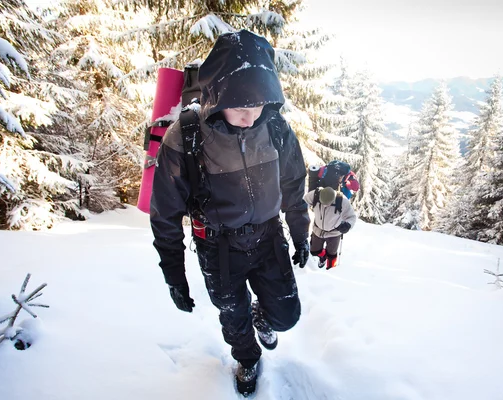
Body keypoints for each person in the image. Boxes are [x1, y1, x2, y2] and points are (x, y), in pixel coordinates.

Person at [149, 30, 310, 397]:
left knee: (287, 316)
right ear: (217, 94)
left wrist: (300, 234)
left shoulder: (276, 128)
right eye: (239, 105)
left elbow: (293, 186)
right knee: (233, 317)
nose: (249, 115)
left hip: (268, 238)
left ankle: (264, 317)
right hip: (218, 247)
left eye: (256, 104)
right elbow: (165, 214)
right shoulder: (186, 137)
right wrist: (174, 274)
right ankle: (248, 359)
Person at [304, 186, 357, 269]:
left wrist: (348, 225)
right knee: (314, 251)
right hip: (318, 230)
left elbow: (352, 217)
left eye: (328, 204)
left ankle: (331, 269)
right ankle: (323, 257)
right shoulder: (315, 195)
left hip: (334, 233)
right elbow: (303, 201)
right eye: (323, 203)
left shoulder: (342, 200)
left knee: (332, 255)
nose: (325, 206)